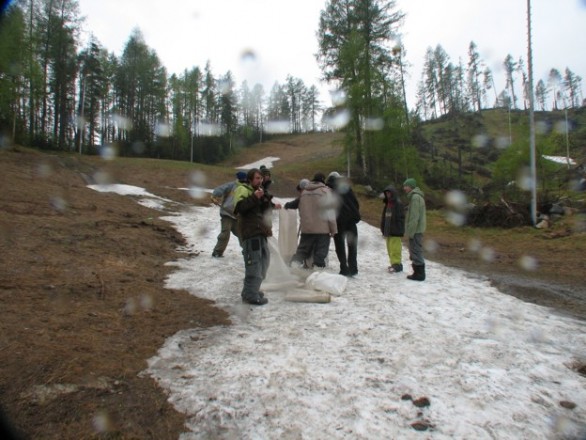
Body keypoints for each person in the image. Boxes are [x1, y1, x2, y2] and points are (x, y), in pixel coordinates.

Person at [233, 168, 280, 305]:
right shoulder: (243, 190)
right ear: (250, 179)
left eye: (261, 178)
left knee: (264, 263)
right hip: (250, 232)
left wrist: (269, 203)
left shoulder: (260, 191)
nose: (260, 181)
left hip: (261, 232)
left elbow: (263, 211)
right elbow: (239, 208)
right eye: (257, 178)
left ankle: (254, 289)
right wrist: (255, 197)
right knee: (254, 264)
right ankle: (250, 295)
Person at [289, 172, 337, 269]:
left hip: (307, 228)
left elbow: (301, 211)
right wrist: (333, 230)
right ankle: (317, 271)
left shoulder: (304, 193)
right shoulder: (326, 192)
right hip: (322, 229)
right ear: (323, 180)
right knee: (320, 252)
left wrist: (305, 224)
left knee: (302, 250)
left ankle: (293, 267)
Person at [326, 171, 360, 276]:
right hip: (351, 220)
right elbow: (355, 203)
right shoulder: (346, 187)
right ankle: (353, 268)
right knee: (352, 244)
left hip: (338, 221)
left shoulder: (329, 189)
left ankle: (344, 268)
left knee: (340, 245)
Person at [210, 171, 247, 258]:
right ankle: (217, 252)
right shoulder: (231, 186)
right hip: (227, 214)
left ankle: (247, 251)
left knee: (242, 235)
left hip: (238, 216)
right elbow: (219, 190)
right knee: (225, 234)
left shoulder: (247, 188)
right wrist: (214, 196)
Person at [403, 178, 426, 281]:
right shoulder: (415, 197)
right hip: (417, 229)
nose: (404, 188)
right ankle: (417, 272)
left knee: (416, 250)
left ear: (411, 186)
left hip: (416, 230)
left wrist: (410, 232)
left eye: (406, 186)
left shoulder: (415, 198)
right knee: (415, 250)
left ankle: (419, 274)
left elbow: (414, 217)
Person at [380, 185, 405, 273]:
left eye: (389, 193)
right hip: (388, 231)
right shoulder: (387, 204)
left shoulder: (398, 204)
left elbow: (401, 218)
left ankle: (397, 265)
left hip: (395, 231)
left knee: (395, 249)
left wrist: (398, 228)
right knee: (390, 248)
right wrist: (383, 229)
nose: (387, 195)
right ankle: (393, 264)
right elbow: (384, 217)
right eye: (386, 193)